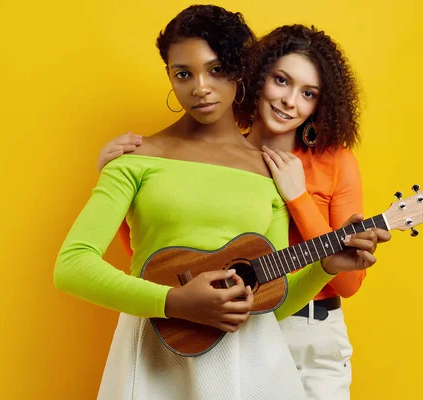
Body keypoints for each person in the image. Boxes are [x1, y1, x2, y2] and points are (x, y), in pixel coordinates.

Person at [55, 5, 389, 400]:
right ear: (169, 76)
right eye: (183, 73)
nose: (200, 87)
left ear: (241, 72)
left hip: (248, 362)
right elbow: (72, 265)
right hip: (156, 355)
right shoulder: (136, 158)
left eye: (215, 70)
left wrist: (324, 267)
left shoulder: (269, 172)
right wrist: (174, 302)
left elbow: (271, 303)